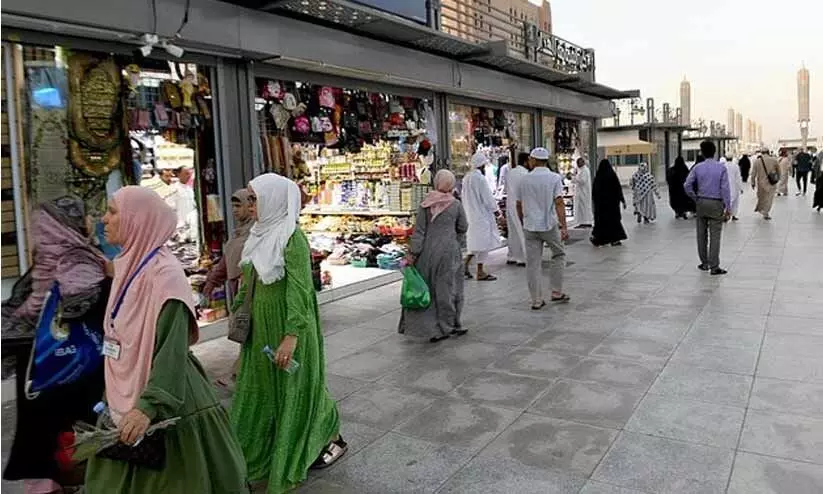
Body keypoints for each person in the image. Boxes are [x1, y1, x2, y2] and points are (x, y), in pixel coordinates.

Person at [85, 187, 247, 493]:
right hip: (127, 387)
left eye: (113, 212)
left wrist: (148, 406)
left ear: (137, 220)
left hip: (166, 393)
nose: (104, 219)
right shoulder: (130, 264)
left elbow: (170, 350)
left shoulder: (164, 277)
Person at [231, 174, 345, 493]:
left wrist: (291, 335)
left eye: (255, 199)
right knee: (262, 390)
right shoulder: (258, 233)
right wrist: (239, 313)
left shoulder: (292, 238)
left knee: (297, 388)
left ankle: (329, 433)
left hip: (287, 325)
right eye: (249, 199)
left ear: (274, 200)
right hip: (261, 327)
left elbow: (299, 289)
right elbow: (249, 279)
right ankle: (257, 455)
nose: (250, 206)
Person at [2, 197, 110, 494]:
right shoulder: (79, 261)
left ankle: (46, 483)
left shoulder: (42, 265)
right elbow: (87, 304)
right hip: (76, 367)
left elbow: (17, 314)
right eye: (85, 215)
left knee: (43, 434)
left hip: (38, 368)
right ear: (69, 222)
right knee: (76, 432)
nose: (92, 220)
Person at [399, 170, 468, 343]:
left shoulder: (426, 204)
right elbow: (463, 226)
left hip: (427, 253)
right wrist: (455, 239)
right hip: (449, 253)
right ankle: (449, 325)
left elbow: (419, 232)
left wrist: (412, 253)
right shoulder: (455, 204)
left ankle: (431, 327)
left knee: (429, 288)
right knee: (449, 289)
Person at [203, 189, 254, 388]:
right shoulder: (238, 233)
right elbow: (226, 261)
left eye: (238, 205)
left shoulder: (257, 232)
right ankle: (240, 375)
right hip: (238, 293)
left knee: (249, 334)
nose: (234, 210)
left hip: (251, 294)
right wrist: (211, 282)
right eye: (233, 206)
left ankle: (238, 375)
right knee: (245, 334)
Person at [514, 148, 570, 310]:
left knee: (532, 263)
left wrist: (523, 221)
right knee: (559, 254)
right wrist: (564, 226)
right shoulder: (554, 178)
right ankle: (556, 291)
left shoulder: (524, 180)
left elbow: (518, 205)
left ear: (533, 160)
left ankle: (536, 300)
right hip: (549, 225)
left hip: (530, 226)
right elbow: (559, 202)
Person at [684, 140, 731, 275]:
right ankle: (714, 266)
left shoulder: (697, 168)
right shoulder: (721, 168)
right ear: (714, 152)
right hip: (716, 203)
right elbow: (725, 189)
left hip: (701, 202)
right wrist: (728, 207)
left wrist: (695, 197)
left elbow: (687, 185)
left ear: (702, 153)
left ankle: (704, 263)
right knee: (715, 235)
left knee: (701, 234)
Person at [462, 151, 501, 281]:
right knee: (483, 244)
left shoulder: (467, 178)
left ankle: (465, 266)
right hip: (481, 215)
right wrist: (497, 212)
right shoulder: (480, 179)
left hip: (470, 214)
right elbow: (488, 198)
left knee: (475, 243)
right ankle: (479, 271)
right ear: (482, 165)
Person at [590, 159, 628, 246]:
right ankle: (615, 240)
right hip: (612, 206)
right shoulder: (612, 176)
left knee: (601, 223)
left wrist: (595, 202)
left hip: (601, 207)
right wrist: (622, 200)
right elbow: (618, 189)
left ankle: (599, 239)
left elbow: (594, 192)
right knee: (613, 222)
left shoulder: (598, 177)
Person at [504, 152, 529, 265]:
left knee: (512, 232)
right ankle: (524, 257)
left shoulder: (510, 173)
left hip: (509, 204)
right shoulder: (526, 174)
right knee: (522, 231)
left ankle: (512, 256)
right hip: (520, 205)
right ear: (525, 161)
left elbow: (506, 188)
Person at [750, 148, 780, 220]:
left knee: (761, 197)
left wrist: (752, 182)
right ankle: (766, 212)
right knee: (769, 198)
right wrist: (778, 178)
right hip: (771, 182)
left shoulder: (757, 161)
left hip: (760, 183)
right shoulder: (774, 160)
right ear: (768, 152)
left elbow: (753, 173)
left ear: (761, 153)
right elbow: (778, 171)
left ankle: (761, 209)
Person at [571, 157, 594, 228]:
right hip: (580, 193)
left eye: (579, 163)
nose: (578, 164)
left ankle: (587, 222)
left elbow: (583, 180)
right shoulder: (580, 170)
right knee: (581, 208)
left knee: (584, 207)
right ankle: (582, 222)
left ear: (582, 163)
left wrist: (574, 178)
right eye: (577, 163)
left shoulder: (585, 170)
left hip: (584, 193)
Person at [723, 156, 744, 221]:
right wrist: (741, 188)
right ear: (732, 159)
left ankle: (726, 213)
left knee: (727, 201)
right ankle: (733, 215)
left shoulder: (723, 166)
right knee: (735, 202)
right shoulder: (735, 166)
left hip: (725, 186)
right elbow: (738, 178)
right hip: (734, 186)